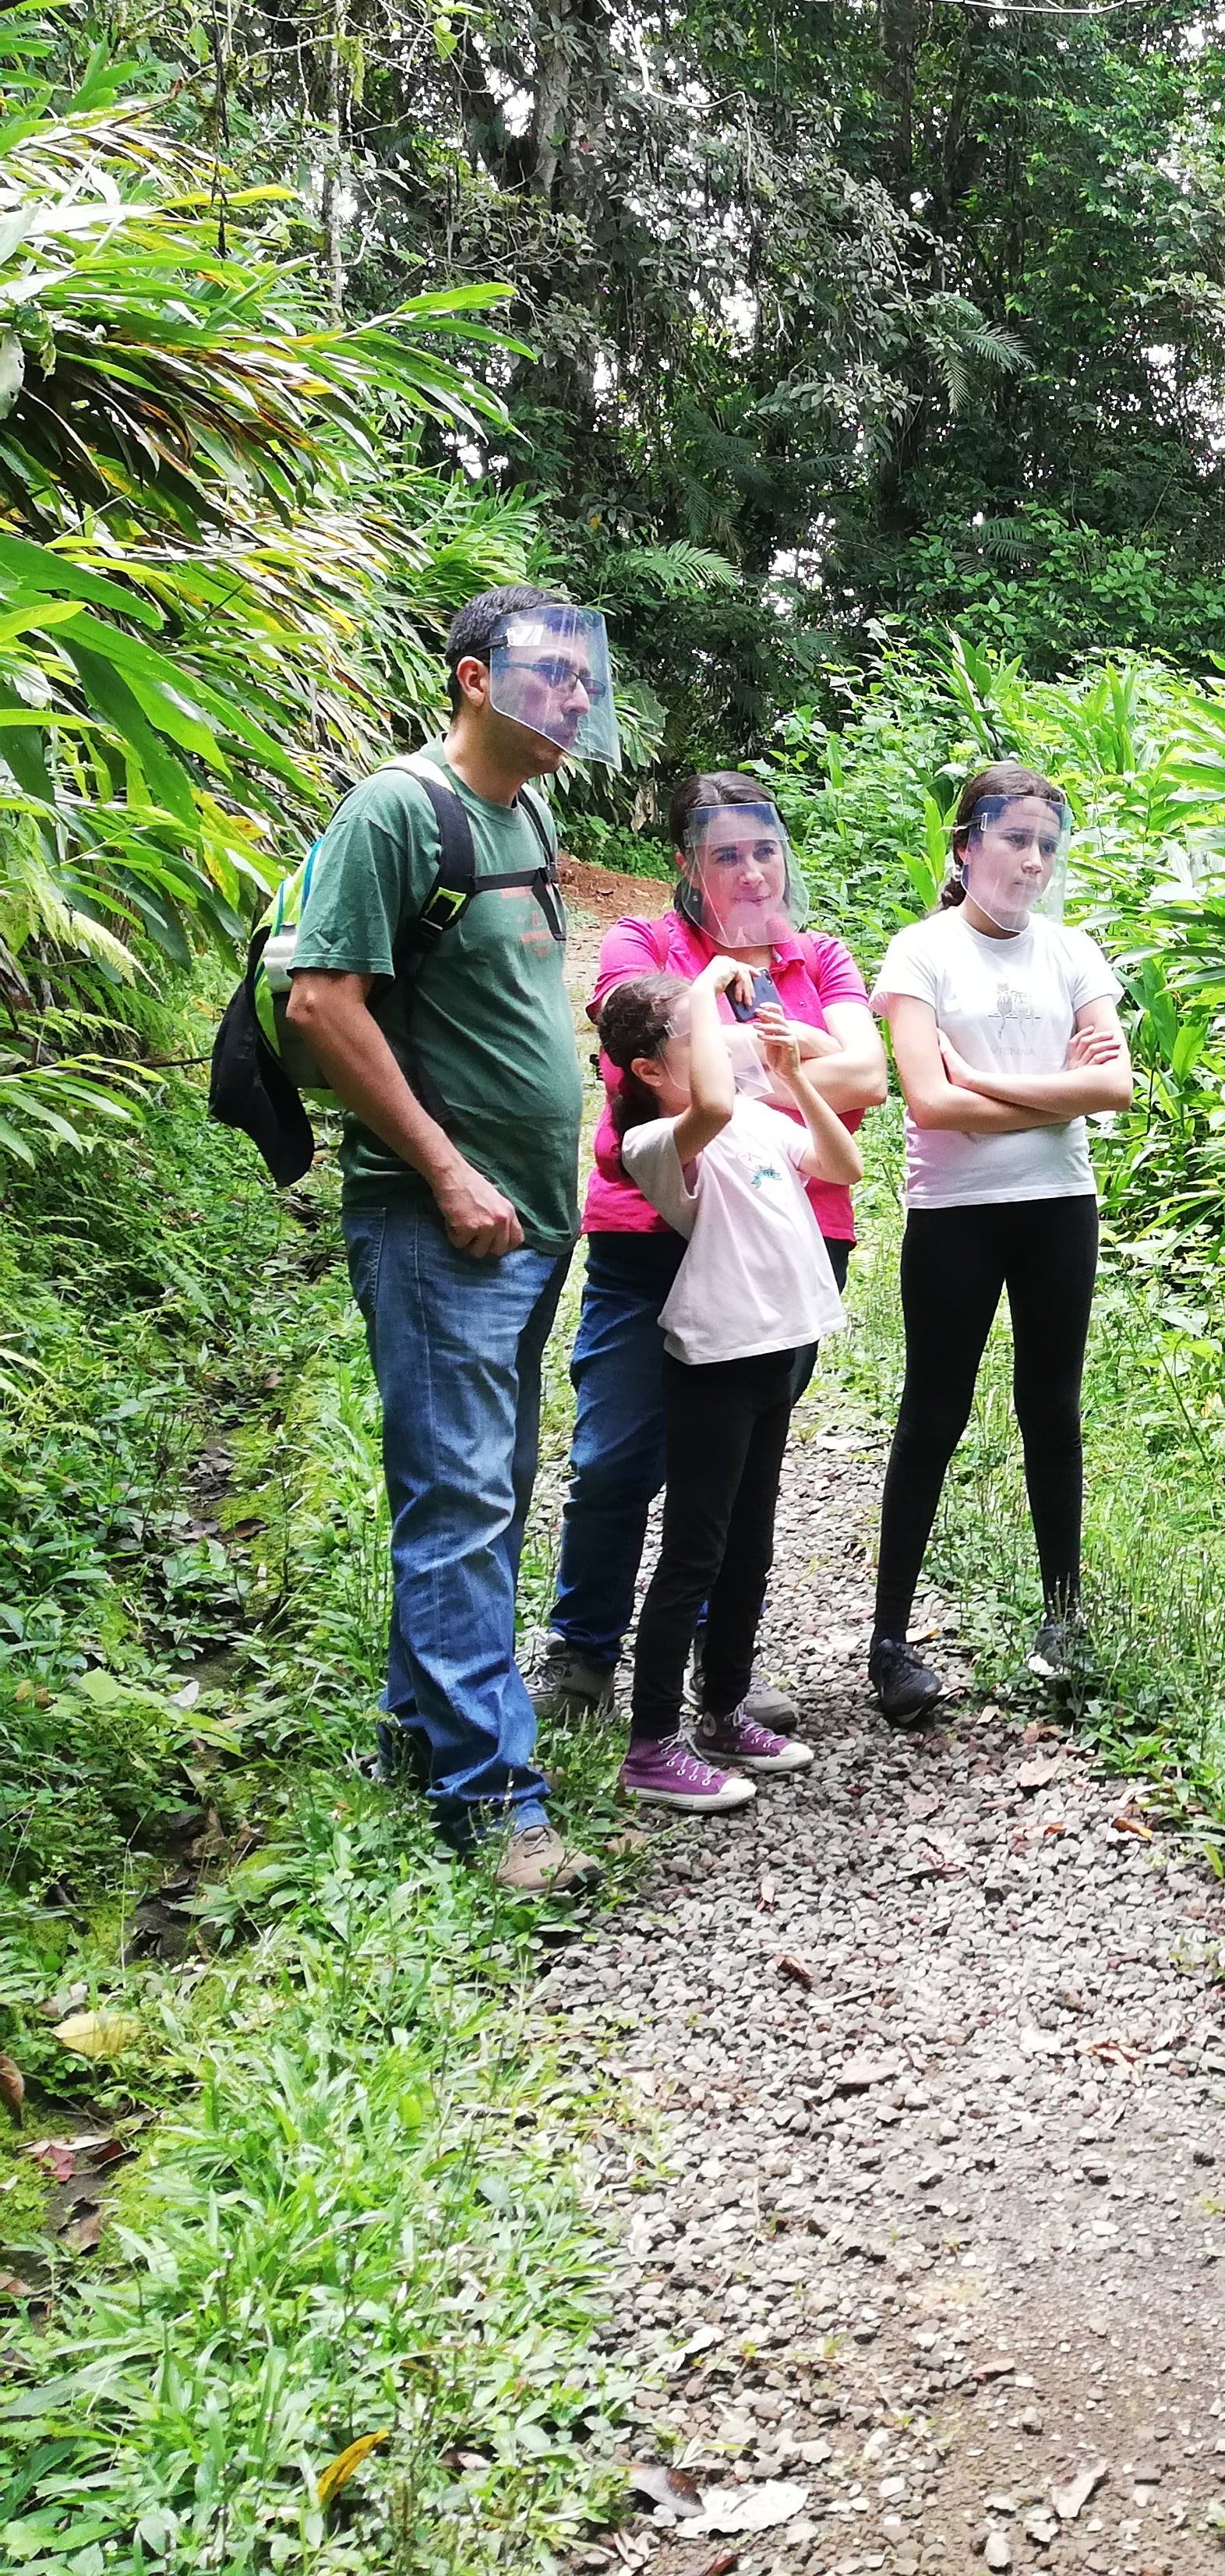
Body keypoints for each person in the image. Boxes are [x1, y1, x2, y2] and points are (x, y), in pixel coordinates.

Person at [283, 586, 613, 1893]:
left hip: (529, 1224)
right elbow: (321, 1002)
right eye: (551, 675)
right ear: (476, 679)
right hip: (443, 1227)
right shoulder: (395, 810)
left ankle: (418, 1735)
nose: (577, 698)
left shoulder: (526, 810)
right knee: (466, 1501)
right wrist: (449, 1170)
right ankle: (494, 1803)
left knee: (479, 1489)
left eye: (586, 678)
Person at [536, 776, 888, 1732]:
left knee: (738, 1468)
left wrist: (730, 1047)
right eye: (725, 853)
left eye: (763, 849)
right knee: (618, 1453)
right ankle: (586, 1650)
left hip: (789, 1235)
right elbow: (637, 1061)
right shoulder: (640, 943)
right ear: (688, 865)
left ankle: (717, 1661)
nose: (749, 868)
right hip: (648, 1237)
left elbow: (871, 1078)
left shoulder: (820, 953)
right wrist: (783, 1053)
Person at [863, 764, 1133, 1725]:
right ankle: (889, 1642)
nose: (1032, 859)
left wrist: (985, 1085)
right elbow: (930, 1104)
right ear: (966, 844)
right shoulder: (920, 952)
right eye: (1014, 838)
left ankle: (1063, 1621)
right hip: (954, 1214)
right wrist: (1048, 1087)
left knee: (1050, 1412)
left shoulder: (1072, 953)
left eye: (1047, 843)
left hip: (1059, 1204)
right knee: (932, 1414)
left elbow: (1115, 1090)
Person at [600, 963, 860, 1809]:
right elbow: (706, 1103)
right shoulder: (655, 1143)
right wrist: (704, 987)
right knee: (693, 1555)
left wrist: (790, 1081)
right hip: (713, 1363)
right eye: (697, 1036)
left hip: (774, 1352)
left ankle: (722, 1710)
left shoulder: (751, 1115)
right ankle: (649, 1748)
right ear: (647, 1070)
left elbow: (841, 1163)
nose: (722, 1047)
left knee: (750, 1544)